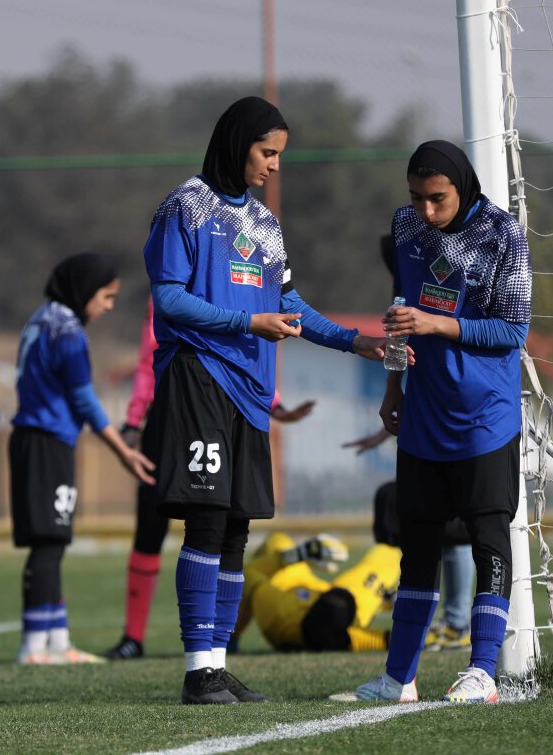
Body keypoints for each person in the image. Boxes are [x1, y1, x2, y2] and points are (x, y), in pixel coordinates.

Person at [141, 96, 393, 704]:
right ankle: (197, 671)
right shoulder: (185, 206)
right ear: (238, 145)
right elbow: (168, 298)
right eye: (267, 152)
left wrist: (352, 341)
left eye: (279, 154)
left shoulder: (264, 224)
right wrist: (246, 323)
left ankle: (217, 663)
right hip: (200, 375)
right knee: (205, 521)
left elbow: (290, 305)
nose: (275, 165)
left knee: (237, 528)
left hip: (250, 391)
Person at [341, 140, 531, 704]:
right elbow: (401, 316)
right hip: (423, 413)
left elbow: (512, 331)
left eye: (437, 199)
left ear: (461, 188)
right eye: (416, 197)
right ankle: (398, 678)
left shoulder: (503, 234)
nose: (426, 210)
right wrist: (392, 386)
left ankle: (482, 673)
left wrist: (438, 323)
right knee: (417, 547)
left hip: (485, 418)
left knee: (487, 541)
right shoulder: (406, 228)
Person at [104, 298, 315, 661]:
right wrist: (134, 420)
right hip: (172, 411)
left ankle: (217, 641)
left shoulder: (241, 280)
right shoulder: (169, 290)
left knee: (223, 524)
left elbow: (253, 346)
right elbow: (149, 355)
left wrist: (274, 403)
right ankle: (134, 638)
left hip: (225, 411)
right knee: (151, 525)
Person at [9, 252, 155, 666]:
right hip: (48, 441)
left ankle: (58, 643)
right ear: (85, 290)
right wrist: (123, 451)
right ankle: (33, 648)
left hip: (33, 439)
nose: (109, 306)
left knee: (53, 540)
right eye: (106, 296)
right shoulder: (69, 332)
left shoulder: (41, 319)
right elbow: (83, 399)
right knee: (49, 542)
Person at [235, 531, 400, 653]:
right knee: (386, 558)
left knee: (278, 540)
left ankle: (230, 634)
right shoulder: (345, 631)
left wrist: (294, 555)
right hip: (327, 605)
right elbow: (384, 640)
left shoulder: (277, 613)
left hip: (282, 576)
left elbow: (247, 574)